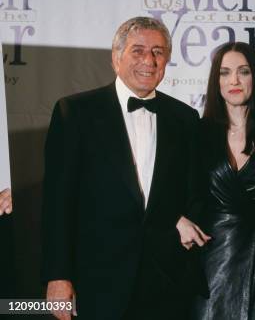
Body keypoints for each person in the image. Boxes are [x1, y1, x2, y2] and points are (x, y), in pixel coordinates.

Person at [42, 17, 209, 320]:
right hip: (97, 281)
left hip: (165, 282)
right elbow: (57, 203)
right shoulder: (76, 112)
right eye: (138, 50)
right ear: (115, 58)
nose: (149, 60)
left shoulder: (184, 118)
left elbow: (196, 190)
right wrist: (58, 276)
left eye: (158, 52)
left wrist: (182, 219)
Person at [192, 42, 255, 320]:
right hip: (207, 267)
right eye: (225, 73)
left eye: (243, 72)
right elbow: (178, 195)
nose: (234, 81)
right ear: (216, 81)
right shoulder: (196, 134)